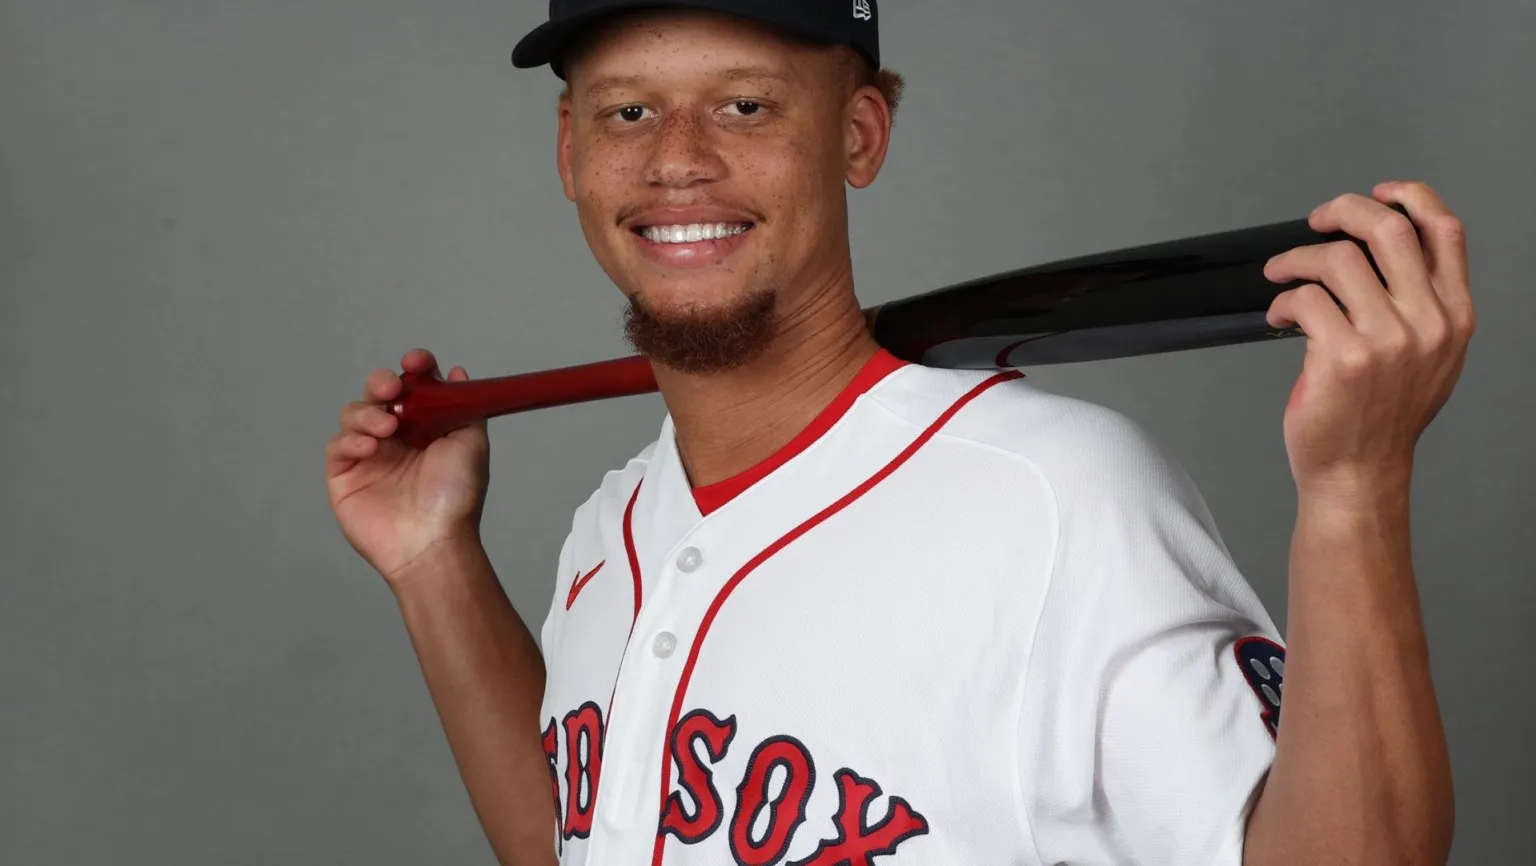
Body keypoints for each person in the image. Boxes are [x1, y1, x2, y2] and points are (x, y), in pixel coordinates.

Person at [324, 2, 1474, 864]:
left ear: (860, 134)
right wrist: (433, 565)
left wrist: (1357, 485)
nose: (677, 159)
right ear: (570, 149)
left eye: (745, 105)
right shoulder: (609, 525)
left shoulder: (1059, 495)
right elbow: (582, 842)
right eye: (629, 110)